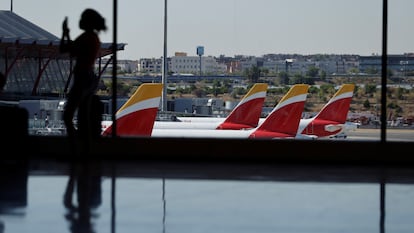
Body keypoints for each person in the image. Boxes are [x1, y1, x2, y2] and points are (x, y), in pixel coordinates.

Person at [59, 8, 107, 140]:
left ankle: (76, 147)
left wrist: (65, 34)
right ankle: (84, 148)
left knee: (68, 116)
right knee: (83, 117)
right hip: (88, 78)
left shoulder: (86, 37)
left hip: (83, 78)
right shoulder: (93, 38)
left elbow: (65, 49)